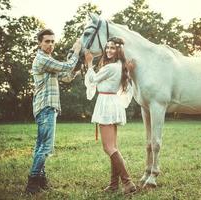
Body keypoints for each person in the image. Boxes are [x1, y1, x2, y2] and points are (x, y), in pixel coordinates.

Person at [25, 29, 82, 194]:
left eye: (52, 41)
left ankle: (40, 180)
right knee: (46, 147)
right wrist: (76, 52)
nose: (50, 44)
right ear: (39, 43)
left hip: (46, 108)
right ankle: (32, 184)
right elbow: (66, 66)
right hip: (46, 107)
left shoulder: (48, 60)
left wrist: (78, 68)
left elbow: (65, 75)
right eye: (47, 41)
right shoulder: (42, 59)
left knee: (40, 146)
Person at [84, 37, 136, 195]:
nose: (108, 51)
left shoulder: (111, 67)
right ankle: (114, 184)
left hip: (107, 103)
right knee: (113, 147)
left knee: (108, 147)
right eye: (107, 48)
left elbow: (92, 79)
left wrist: (89, 63)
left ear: (118, 50)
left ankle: (128, 182)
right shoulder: (120, 66)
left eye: (112, 48)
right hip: (113, 102)